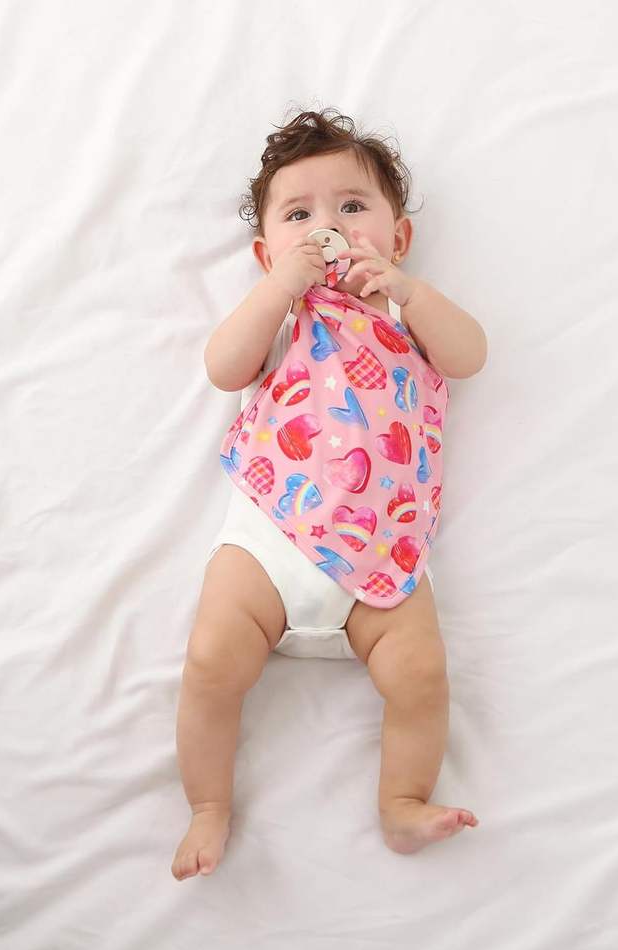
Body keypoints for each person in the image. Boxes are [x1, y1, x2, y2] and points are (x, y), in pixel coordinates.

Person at [173, 108, 487, 880]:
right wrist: (279, 290)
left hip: (381, 549)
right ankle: (208, 804)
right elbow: (223, 368)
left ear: (398, 236)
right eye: (298, 215)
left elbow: (470, 355)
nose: (328, 228)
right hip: (271, 538)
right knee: (210, 661)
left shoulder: (402, 311)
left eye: (352, 206)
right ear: (265, 251)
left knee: (421, 674)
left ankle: (402, 802)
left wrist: (410, 293)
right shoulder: (284, 316)